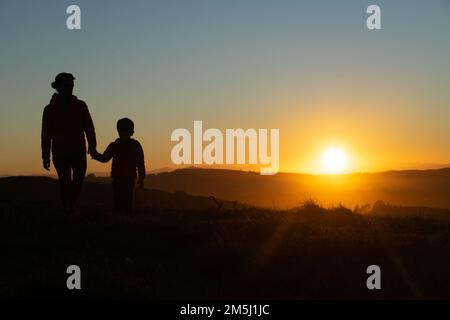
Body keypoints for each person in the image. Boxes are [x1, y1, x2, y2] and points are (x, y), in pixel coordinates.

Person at [41, 72, 97, 212]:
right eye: (67, 86)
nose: (70, 88)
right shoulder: (50, 110)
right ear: (59, 87)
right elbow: (45, 134)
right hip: (60, 152)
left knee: (77, 182)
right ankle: (68, 210)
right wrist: (45, 155)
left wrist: (92, 144)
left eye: (71, 85)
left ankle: (68, 208)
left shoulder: (80, 105)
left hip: (78, 150)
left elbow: (89, 127)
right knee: (65, 183)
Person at [92, 118, 145, 214]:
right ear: (132, 132)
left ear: (118, 131)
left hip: (118, 178)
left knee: (118, 201)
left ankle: (119, 221)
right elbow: (140, 163)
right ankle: (126, 221)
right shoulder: (135, 145)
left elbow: (104, 158)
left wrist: (94, 154)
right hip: (129, 178)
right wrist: (141, 178)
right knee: (127, 201)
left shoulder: (114, 145)